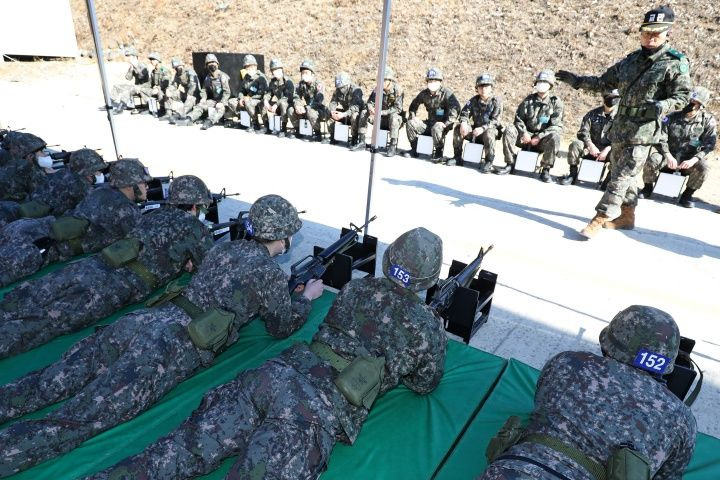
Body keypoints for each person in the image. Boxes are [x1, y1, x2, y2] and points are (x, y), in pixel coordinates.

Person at [0, 195, 324, 478]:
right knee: (80, 419)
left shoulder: (224, 249)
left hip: (145, 320)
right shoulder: (268, 273)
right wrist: (305, 299)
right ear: (283, 237)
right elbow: (282, 326)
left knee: (49, 380)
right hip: (167, 347)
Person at [90, 227, 447, 480]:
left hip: (274, 374)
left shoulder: (355, 289)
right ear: (430, 279)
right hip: (315, 410)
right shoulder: (427, 327)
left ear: (389, 259)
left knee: (174, 453)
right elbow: (425, 383)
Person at [0, 175, 215, 358]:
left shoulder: (154, 214)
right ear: (194, 206)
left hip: (94, 265)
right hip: (117, 286)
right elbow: (207, 267)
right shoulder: (197, 229)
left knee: (31, 295)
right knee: (48, 321)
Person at [481, 305, 696, 480]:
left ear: (611, 342)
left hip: (509, 471)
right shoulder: (682, 420)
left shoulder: (567, 362)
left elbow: (542, 402)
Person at [557, 5, 692, 238]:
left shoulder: (674, 63)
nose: (650, 37)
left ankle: (599, 218)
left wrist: (663, 105)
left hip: (643, 132)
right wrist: (577, 81)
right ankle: (627, 216)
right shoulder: (630, 61)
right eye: (647, 32)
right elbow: (603, 83)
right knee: (621, 173)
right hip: (620, 128)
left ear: (667, 33)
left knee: (620, 176)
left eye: (656, 33)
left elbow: (682, 97)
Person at [0, 158, 146, 288]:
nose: (146, 187)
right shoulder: (126, 209)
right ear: (130, 185)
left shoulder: (102, 190)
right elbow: (141, 240)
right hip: (43, 245)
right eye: (143, 182)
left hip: (30, 227)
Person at [640, 86, 717, 208]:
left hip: (688, 162)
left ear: (701, 105)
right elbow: (661, 137)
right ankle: (647, 188)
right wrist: (668, 155)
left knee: (704, 166)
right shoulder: (671, 117)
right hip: (668, 157)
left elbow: (709, 144)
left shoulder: (707, 121)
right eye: (690, 100)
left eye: (695, 102)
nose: (691, 103)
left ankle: (687, 195)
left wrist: (694, 160)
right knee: (653, 159)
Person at [0, 148, 104, 228]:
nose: (100, 174)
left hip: (26, 212)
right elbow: (94, 208)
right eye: (97, 170)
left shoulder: (63, 173)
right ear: (88, 172)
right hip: (42, 222)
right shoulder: (80, 185)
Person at [497, 70, 564, 182]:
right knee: (509, 130)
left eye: (544, 82)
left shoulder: (555, 103)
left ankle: (545, 169)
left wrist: (539, 137)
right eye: (540, 81)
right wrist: (524, 133)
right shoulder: (528, 100)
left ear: (550, 85)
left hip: (542, 140)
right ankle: (509, 163)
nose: (541, 84)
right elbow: (518, 119)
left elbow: (556, 126)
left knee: (555, 137)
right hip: (525, 137)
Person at [558, 89, 619, 185]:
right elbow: (583, 132)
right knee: (575, 144)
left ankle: (608, 181)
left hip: (609, 150)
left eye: (614, 98)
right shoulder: (593, 114)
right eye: (609, 97)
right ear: (604, 98)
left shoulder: (620, 118)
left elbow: (620, 138)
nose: (611, 100)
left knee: (620, 153)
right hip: (590, 147)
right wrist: (590, 145)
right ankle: (572, 175)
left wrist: (608, 149)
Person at [404, 68, 461, 163]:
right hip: (429, 124)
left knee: (437, 126)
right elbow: (414, 105)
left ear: (440, 82)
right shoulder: (424, 93)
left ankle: (438, 152)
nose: (432, 83)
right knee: (411, 123)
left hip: (442, 126)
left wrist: (447, 123)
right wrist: (412, 116)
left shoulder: (446, 93)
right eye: (430, 81)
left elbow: (456, 108)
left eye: (435, 81)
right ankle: (414, 149)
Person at [452, 73, 503, 171]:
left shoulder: (496, 101)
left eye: (486, 87)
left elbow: (495, 121)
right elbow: (464, 113)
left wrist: (482, 128)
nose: (483, 89)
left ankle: (489, 161)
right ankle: (457, 157)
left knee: (489, 133)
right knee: (458, 128)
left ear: (491, 87)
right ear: (477, 88)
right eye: (481, 87)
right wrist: (464, 123)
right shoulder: (474, 100)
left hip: (489, 131)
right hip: (475, 131)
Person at [355, 66, 404, 156]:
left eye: (384, 80)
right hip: (379, 118)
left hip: (391, 120)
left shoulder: (398, 90)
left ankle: (392, 146)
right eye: (380, 80)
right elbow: (370, 102)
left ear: (390, 80)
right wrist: (371, 108)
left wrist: (381, 112)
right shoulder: (377, 89)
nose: (382, 82)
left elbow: (398, 108)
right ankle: (361, 141)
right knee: (364, 112)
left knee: (394, 117)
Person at [176, 54, 231, 130]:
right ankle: (189, 118)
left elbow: (227, 92)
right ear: (206, 66)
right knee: (200, 105)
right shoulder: (208, 77)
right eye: (209, 63)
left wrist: (222, 102)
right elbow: (204, 90)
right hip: (214, 100)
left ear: (217, 64)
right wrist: (203, 98)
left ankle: (209, 121)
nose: (211, 64)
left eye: (213, 62)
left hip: (224, 101)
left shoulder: (222, 76)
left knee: (220, 108)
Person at [0, 132, 49, 205]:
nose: (45, 155)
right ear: (30, 156)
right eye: (41, 152)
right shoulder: (24, 168)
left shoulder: (11, 163)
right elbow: (45, 194)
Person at [226, 55, 269, 133]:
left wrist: (249, 98)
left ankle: (255, 123)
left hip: (258, 100)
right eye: (246, 67)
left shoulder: (261, 77)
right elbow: (242, 90)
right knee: (231, 102)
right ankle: (245, 122)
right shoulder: (246, 77)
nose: (248, 69)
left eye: (250, 66)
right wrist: (241, 98)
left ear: (255, 66)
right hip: (247, 99)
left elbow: (262, 93)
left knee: (247, 102)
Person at [289, 59, 328, 142]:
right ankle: (298, 130)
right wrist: (298, 105)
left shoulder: (319, 84)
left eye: (306, 73)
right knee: (291, 109)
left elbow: (319, 101)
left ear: (312, 74)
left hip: (319, 110)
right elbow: (296, 96)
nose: (304, 75)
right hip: (307, 109)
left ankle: (318, 134)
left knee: (311, 111)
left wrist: (306, 108)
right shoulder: (301, 84)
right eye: (302, 73)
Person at [327, 72, 364, 149]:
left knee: (354, 116)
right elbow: (333, 102)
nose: (340, 90)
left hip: (356, 115)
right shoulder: (338, 90)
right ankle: (333, 136)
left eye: (342, 87)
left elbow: (355, 107)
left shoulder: (356, 90)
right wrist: (332, 111)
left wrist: (343, 114)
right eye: (339, 87)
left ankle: (354, 139)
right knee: (329, 113)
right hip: (345, 113)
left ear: (347, 83)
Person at [110, 47, 150, 114]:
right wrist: (131, 70)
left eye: (129, 56)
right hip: (135, 86)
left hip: (143, 87)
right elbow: (128, 78)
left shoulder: (142, 65)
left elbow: (141, 76)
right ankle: (109, 104)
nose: (128, 58)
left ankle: (120, 107)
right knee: (116, 86)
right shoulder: (132, 66)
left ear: (134, 57)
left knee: (128, 90)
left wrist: (136, 67)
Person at [262, 58, 294, 138]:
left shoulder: (288, 81)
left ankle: (283, 129)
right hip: (278, 105)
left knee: (283, 104)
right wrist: (266, 100)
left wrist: (276, 104)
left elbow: (287, 97)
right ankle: (267, 126)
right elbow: (269, 93)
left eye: (277, 69)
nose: (276, 72)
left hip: (288, 105)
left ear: (281, 69)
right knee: (262, 103)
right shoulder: (273, 82)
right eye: (274, 70)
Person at [138, 52, 171, 117]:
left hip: (164, 90)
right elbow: (150, 83)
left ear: (158, 60)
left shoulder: (164, 70)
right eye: (151, 60)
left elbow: (166, 83)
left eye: (153, 59)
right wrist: (141, 87)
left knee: (159, 92)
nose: (151, 61)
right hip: (155, 89)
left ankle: (163, 109)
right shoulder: (153, 71)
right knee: (142, 90)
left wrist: (158, 88)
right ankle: (150, 108)